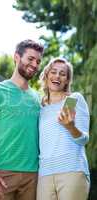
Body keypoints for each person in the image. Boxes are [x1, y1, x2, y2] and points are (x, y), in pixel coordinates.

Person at [0, 39, 44, 200]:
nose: (34, 64)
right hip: (2, 174)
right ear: (17, 57)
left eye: (38, 61)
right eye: (30, 59)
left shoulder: (38, 98)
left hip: (32, 176)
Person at [37, 57, 90, 200]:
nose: (57, 76)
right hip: (45, 174)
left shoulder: (73, 100)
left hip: (72, 171)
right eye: (53, 72)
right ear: (47, 75)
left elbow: (84, 139)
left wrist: (70, 127)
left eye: (62, 74)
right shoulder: (39, 108)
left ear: (67, 80)